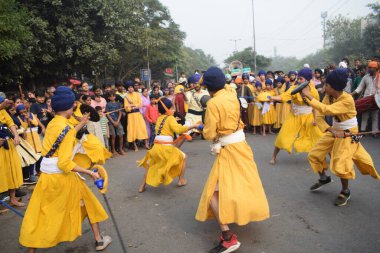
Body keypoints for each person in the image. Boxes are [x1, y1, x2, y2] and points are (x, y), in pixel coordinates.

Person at [19, 86, 111, 252]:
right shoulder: (66, 128)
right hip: (63, 179)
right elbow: (64, 163)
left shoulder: (54, 122)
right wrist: (90, 172)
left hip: (46, 178)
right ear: (69, 107)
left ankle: (30, 250)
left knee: (41, 215)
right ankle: (99, 241)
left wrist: (81, 122)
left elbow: (64, 135)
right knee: (90, 204)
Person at [195, 67, 269, 253]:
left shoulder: (213, 103)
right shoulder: (231, 93)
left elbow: (210, 133)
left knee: (212, 192)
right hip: (241, 145)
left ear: (209, 87)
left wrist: (202, 127)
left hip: (228, 150)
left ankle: (228, 238)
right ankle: (236, 216)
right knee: (242, 184)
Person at [301, 69, 379, 206]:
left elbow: (327, 110)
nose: (324, 88)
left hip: (349, 132)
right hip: (335, 130)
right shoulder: (329, 96)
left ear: (334, 87)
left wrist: (310, 97)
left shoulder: (347, 99)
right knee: (314, 155)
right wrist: (330, 129)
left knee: (341, 162)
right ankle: (324, 178)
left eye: (327, 85)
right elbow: (320, 114)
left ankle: (345, 190)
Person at [138, 97, 199, 193]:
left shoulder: (159, 118)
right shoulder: (170, 118)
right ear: (168, 109)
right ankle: (181, 180)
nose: (174, 110)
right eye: (172, 108)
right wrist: (193, 126)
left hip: (155, 148)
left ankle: (142, 186)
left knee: (151, 164)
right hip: (165, 147)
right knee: (184, 157)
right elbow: (178, 130)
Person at [269, 68, 323, 165]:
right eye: (298, 78)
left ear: (307, 80)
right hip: (294, 116)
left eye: (301, 79)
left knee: (318, 137)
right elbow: (283, 96)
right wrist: (272, 97)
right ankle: (273, 157)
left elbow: (315, 106)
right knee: (282, 137)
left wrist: (315, 119)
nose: (298, 80)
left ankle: (327, 155)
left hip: (308, 117)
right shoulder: (293, 88)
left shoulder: (313, 91)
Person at [0, 98, 24, 207]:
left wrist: (16, 135)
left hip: (8, 143)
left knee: (12, 170)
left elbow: (11, 124)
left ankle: (13, 199)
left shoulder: (3, 111)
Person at [351, 61, 379, 135]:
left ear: (375, 68)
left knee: (375, 116)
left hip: (376, 100)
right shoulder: (366, 77)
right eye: (368, 67)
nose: (368, 69)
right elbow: (359, 88)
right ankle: (363, 131)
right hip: (366, 99)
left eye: (370, 68)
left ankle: (374, 132)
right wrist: (351, 94)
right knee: (364, 116)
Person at [124, 82, 148, 151]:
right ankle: (135, 146)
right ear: (127, 89)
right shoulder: (126, 96)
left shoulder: (137, 94)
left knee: (143, 128)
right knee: (132, 130)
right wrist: (132, 107)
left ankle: (146, 144)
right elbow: (126, 108)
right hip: (131, 115)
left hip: (138, 114)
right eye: (129, 87)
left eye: (131, 87)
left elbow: (140, 104)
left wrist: (132, 105)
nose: (130, 88)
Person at [106, 92, 124, 156]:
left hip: (118, 121)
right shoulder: (108, 104)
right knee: (113, 136)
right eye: (111, 96)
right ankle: (113, 150)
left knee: (121, 135)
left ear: (115, 97)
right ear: (108, 98)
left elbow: (120, 112)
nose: (112, 97)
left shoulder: (118, 104)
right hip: (111, 122)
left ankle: (120, 149)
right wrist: (113, 122)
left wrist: (118, 121)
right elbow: (107, 114)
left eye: (113, 96)